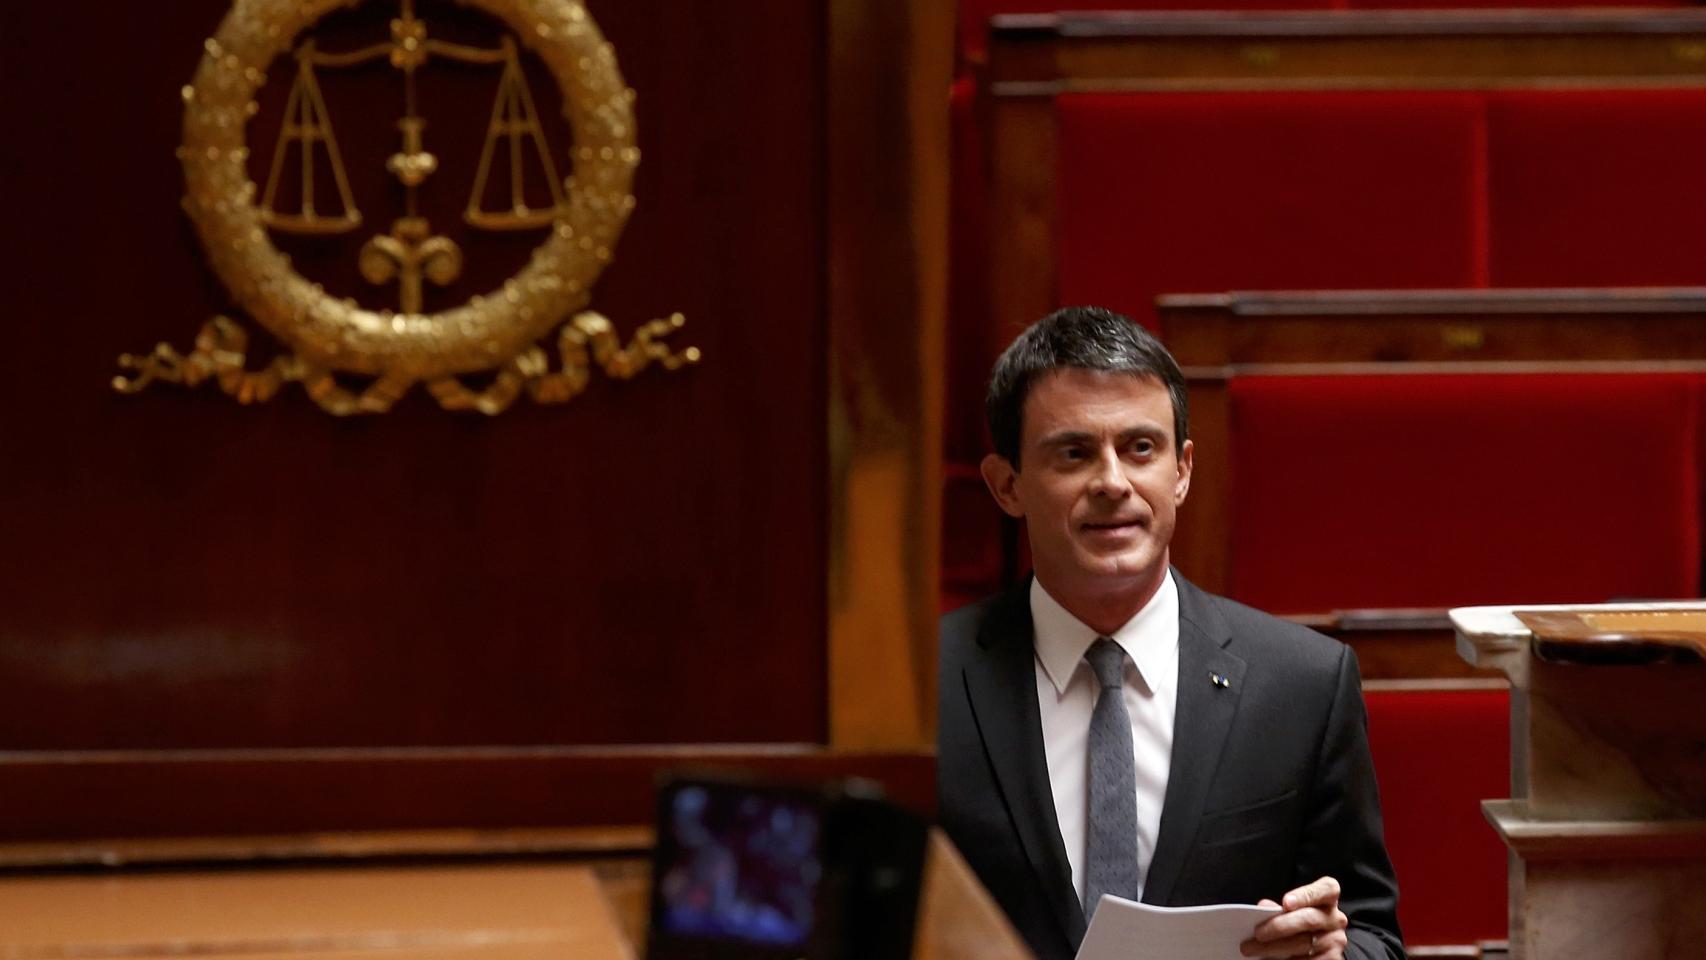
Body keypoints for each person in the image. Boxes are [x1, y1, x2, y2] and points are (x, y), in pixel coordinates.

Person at [938, 306, 1403, 960]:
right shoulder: (924, 687)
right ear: (1006, 485)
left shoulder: (1303, 686)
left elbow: (1375, 937)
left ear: (1181, 471)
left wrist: (1333, 956)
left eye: (1140, 448)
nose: (1112, 482)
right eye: (1074, 453)